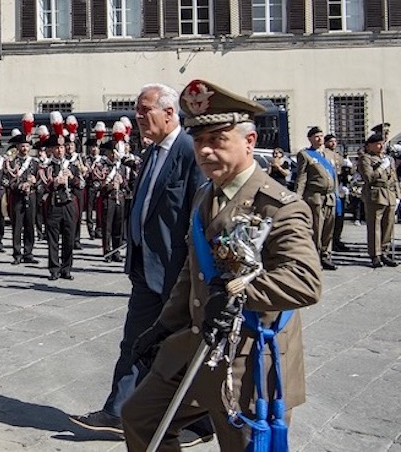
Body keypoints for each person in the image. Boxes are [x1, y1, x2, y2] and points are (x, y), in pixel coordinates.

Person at [121, 79, 322, 451]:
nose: (206, 150)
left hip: (249, 357)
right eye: (199, 141)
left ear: (249, 142)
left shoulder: (278, 205)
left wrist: (236, 292)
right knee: (140, 418)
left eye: (217, 139)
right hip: (196, 344)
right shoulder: (205, 195)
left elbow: (305, 281)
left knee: (242, 445)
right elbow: (191, 270)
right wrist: (163, 325)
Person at [70, 83, 211, 446]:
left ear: (170, 113)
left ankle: (202, 420)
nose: (138, 116)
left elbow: (198, 217)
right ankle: (118, 411)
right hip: (145, 267)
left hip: (176, 270)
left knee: (185, 346)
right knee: (135, 341)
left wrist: (193, 273)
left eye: (145, 109)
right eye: (137, 110)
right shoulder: (151, 152)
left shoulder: (188, 151)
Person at [295, 126, 339, 270]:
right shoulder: (306, 155)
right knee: (317, 228)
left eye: (321, 136)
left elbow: (334, 176)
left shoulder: (329, 154)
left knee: (328, 228)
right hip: (315, 197)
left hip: (330, 196)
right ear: (310, 139)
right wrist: (297, 198)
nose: (320, 139)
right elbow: (301, 178)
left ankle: (326, 255)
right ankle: (314, 257)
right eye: (316, 136)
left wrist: (338, 196)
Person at [40, 134, 82, 280]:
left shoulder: (72, 165)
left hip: (69, 205)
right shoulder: (46, 167)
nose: (60, 150)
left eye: (62, 147)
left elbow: (82, 185)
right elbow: (40, 187)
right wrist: (54, 184)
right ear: (51, 150)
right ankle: (54, 269)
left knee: (69, 238)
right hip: (54, 205)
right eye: (57, 148)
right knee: (53, 239)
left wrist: (72, 178)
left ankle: (67, 268)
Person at [358, 132, 399, 268]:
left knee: (388, 225)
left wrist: (398, 194)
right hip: (375, 194)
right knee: (375, 225)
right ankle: (375, 254)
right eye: (377, 144)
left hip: (390, 194)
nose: (381, 146)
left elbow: (394, 178)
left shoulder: (389, 159)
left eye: (382, 143)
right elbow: (369, 178)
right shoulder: (366, 159)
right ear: (370, 146)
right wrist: (381, 167)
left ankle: (384, 251)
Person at [92, 140, 129, 262]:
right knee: (107, 227)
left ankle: (116, 251)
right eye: (111, 152)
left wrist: (122, 182)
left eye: (115, 152)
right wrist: (109, 186)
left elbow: (127, 184)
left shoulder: (122, 166)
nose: (113, 155)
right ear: (107, 153)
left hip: (120, 199)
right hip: (107, 199)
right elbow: (96, 185)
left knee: (118, 227)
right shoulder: (101, 166)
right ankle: (107, 252)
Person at [7, 134, 40, 266]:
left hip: (31, 196)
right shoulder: (12, 162)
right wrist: (20, 186)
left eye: (27, 146)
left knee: (30, 225)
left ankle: (28, 252)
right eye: (22, 146)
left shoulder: (35, 163)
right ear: (18, 146)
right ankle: (17, 253)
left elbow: (42, 181)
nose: (25, 148)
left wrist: (34, 182)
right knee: (17, 226)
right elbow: (8, 181)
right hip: (17, 197)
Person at [324, 134, 351, 252]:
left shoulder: (338, 156)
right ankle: (330, 241)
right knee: (332, 218)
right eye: (330, 141)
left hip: (339, 188)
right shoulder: (324, 154)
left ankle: (337, 239)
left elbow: (345, 171)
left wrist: (348, 167)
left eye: (335, 141)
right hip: (331, 189)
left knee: (340, 217)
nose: (333, 144)